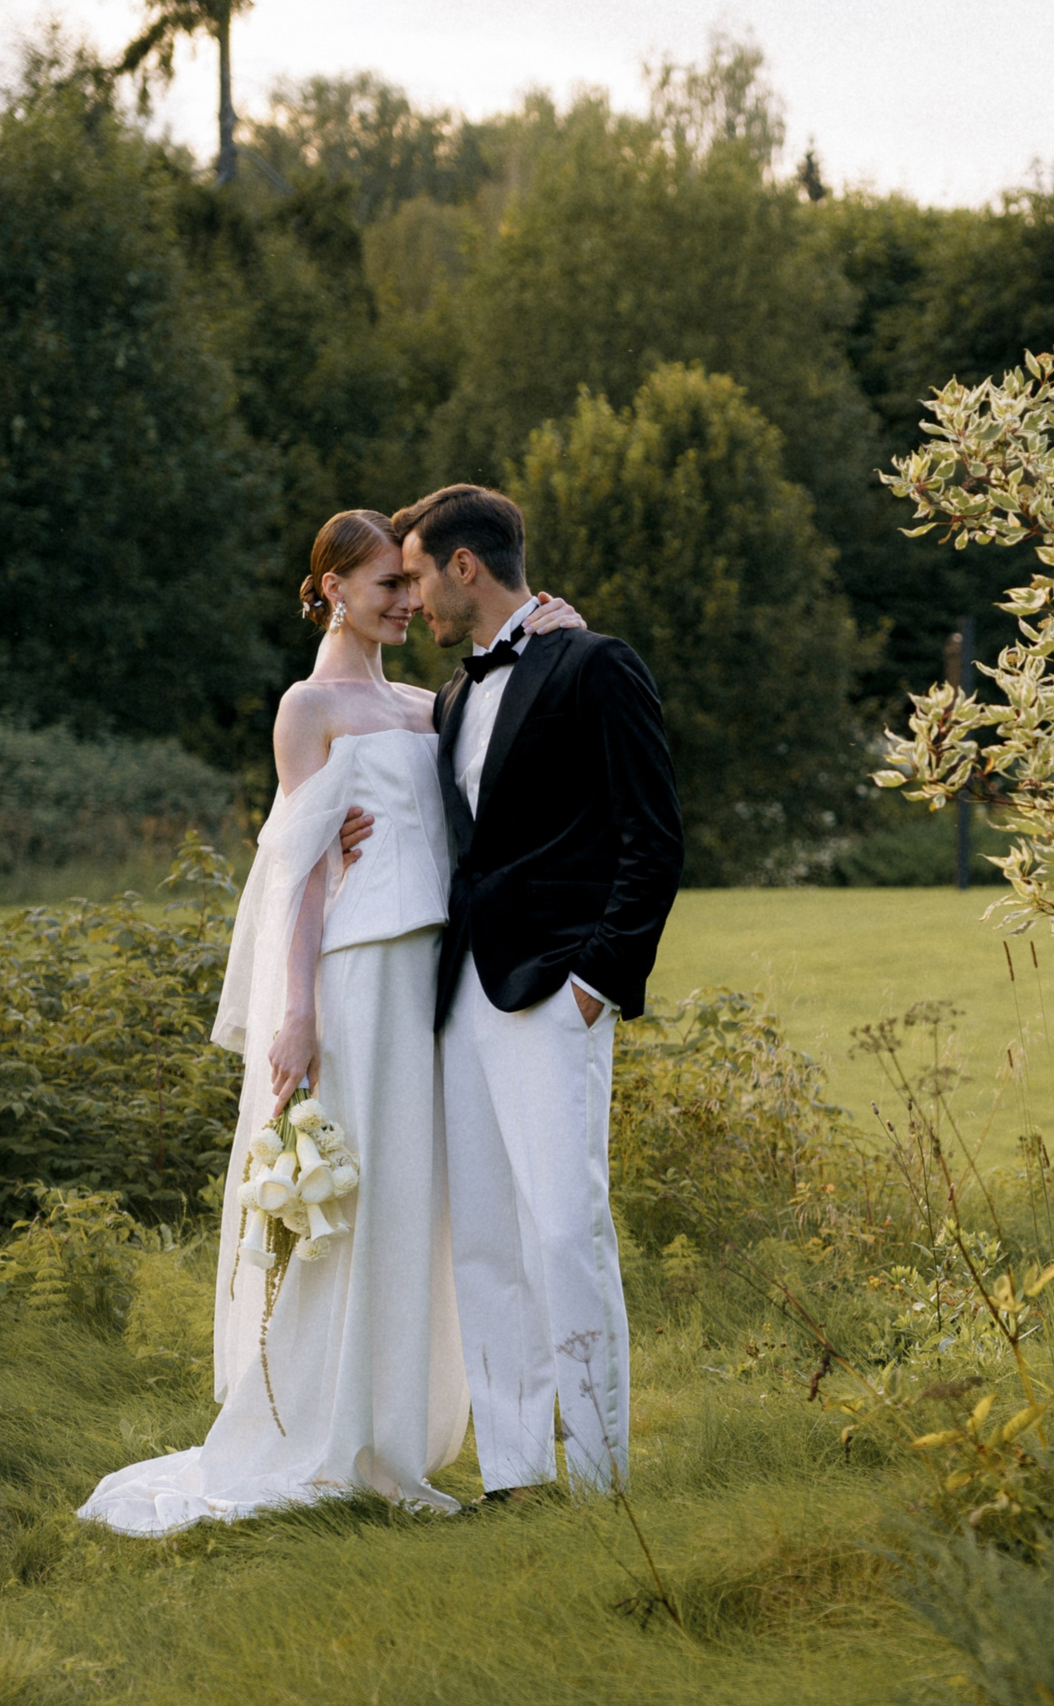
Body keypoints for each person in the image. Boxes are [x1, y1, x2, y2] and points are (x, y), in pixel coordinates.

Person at [77, 511, 586, 1534]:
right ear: (332, 592)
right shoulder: (307, 707)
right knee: (353, 1199)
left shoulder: (424, 704)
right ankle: (335, 1432)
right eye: (384, 585)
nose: (406, 600)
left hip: (433, 977)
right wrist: (298, 1010)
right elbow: (297, 867)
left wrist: (558, 629)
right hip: (355, 976)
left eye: (409, 584)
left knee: (416, 1197)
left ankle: (395, 1435)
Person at [394, 483, 681, 1499]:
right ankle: (515, 1474)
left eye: (420, 574)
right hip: (461, 995)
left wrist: (597, 979)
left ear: (464, 566)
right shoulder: (452, 694)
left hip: (556, 989)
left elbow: (654, 836)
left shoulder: (595, 664)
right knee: (484, 1240)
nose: (415, 599)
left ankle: (603, 1479)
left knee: (564, 1226)